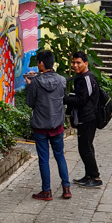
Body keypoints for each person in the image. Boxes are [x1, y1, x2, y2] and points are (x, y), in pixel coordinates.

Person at [24, 50, 71, 201]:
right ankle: (66, 188)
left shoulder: (36, 82)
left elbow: (30, 103)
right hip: (57, 125)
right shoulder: (62, 80)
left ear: (41, 64)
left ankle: (47, 191)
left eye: (38, 63)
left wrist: (29, 85)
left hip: (40, 126)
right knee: (60, 156)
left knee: (43, 159)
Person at [67, 51, 103, 187]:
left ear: (86, 63)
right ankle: (88, 176)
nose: (75, 65)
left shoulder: (87, 78)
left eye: (78, 63)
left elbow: (82, 100)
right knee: (85, 148)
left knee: (86, 148)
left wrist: (65, 99)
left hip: (88, 119)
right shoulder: (81, 77)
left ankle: (95, 177)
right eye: (73, 62)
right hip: (84, 118)